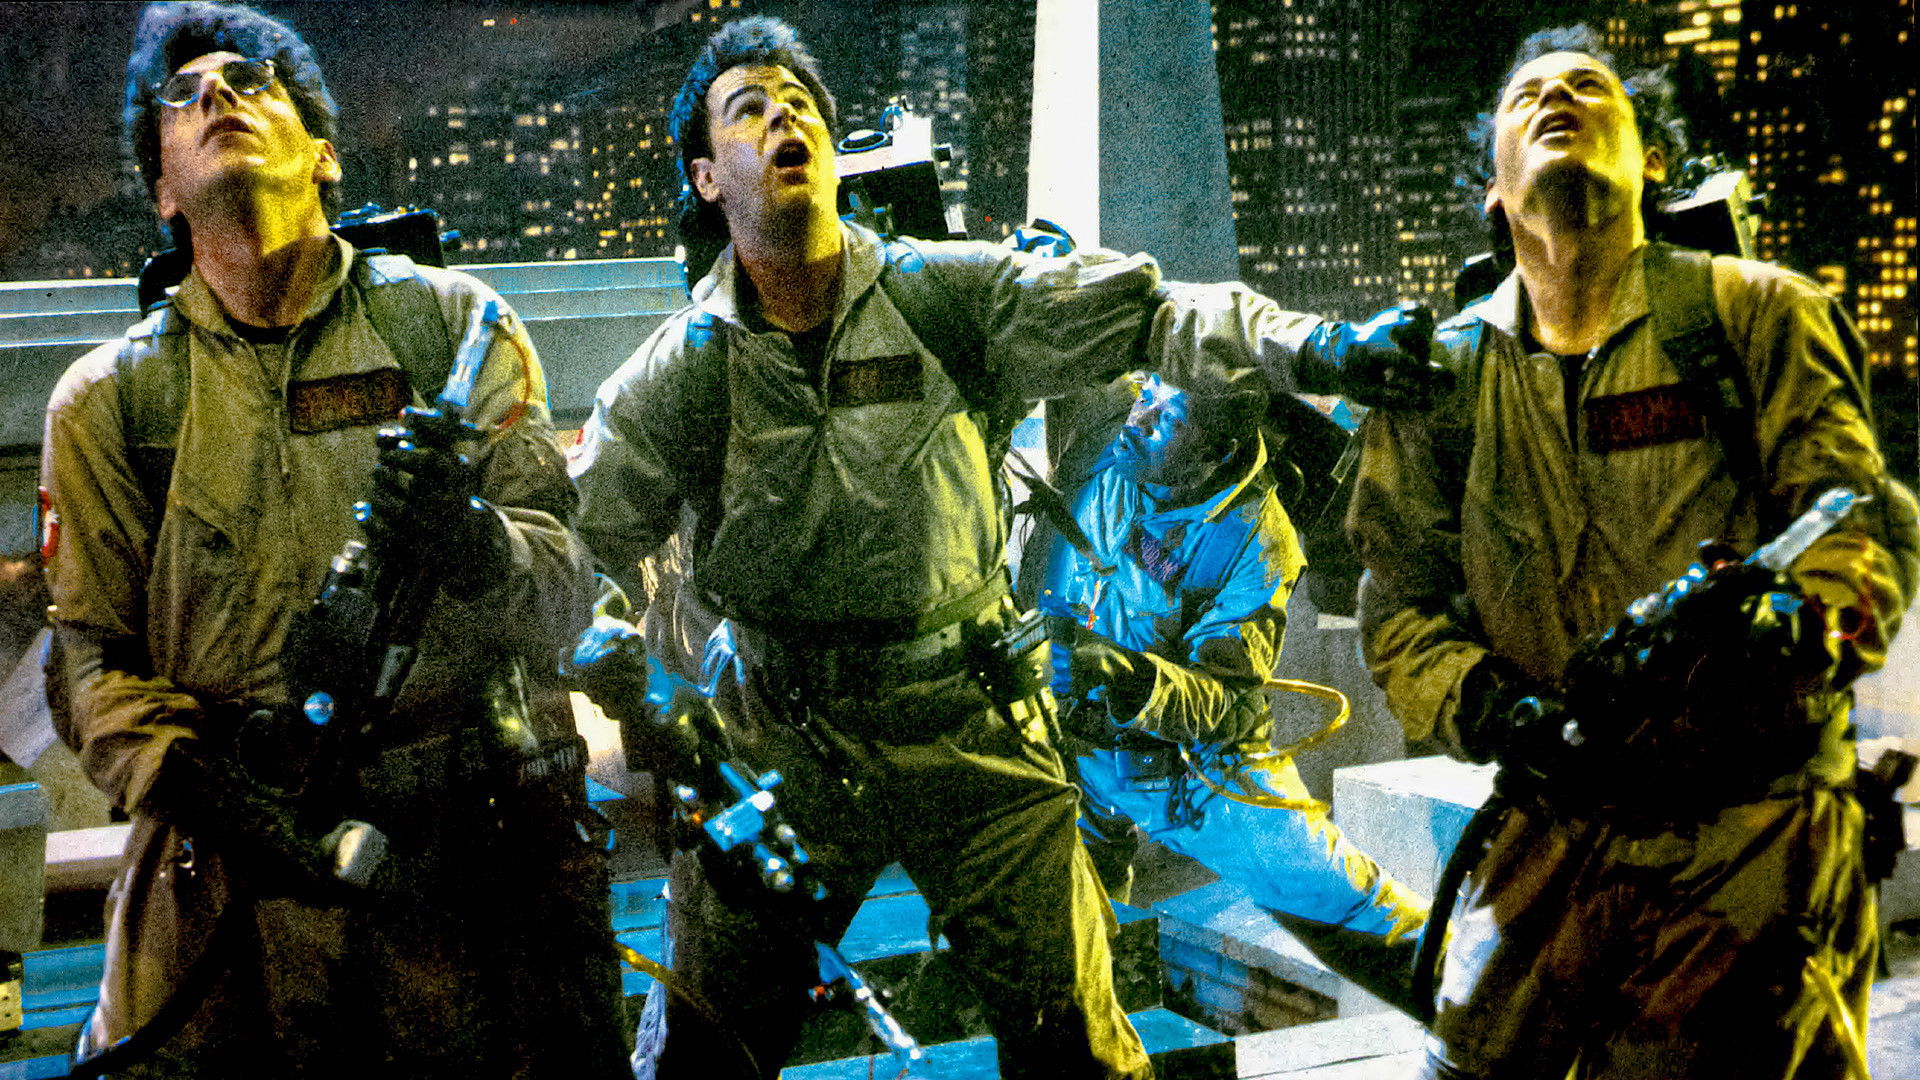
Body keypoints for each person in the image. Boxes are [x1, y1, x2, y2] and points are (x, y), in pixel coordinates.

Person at [569, 16, 1449, 1079]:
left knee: (1078, 1048)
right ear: (709, 178)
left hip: (970, 720)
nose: (782, 120)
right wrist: (625, 662)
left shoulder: (947, 298)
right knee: (701, 1056)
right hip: (778, 737)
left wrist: (1320, 347)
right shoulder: (679, 372)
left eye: (800, 105)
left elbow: (1149, 315)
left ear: (833, 153)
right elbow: (582, 548)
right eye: (747, 111)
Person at [38, 4, 627, 1076]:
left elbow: (568, 587)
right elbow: (86, 658)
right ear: (163, 192)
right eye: (183, 95)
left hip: (463, 875)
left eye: (253, 80)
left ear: (323, 155)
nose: (217, 95)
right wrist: (201, 786)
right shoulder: (110, 402)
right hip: (228, 883)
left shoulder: (453, 330)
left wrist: (481, 545)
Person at [1348, 25, 1919, 1080]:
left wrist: (1787, 630)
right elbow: (1400, 605)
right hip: (1555, 819)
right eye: (1528, 96)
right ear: (1493, 189)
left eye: (1591, 88)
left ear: (1653, 161)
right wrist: (1494, 710)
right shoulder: (1439, 378)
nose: (1558, 98)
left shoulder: (1755, 315)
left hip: (1751, 820)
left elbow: (1861, 529)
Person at [1041, 371, 1429, 1015]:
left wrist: (1126, 675)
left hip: (1194, 775)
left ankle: (1491, 1009)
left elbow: (1222, 702)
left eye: (1169, 421)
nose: (1139, 420)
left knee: (1341, 900)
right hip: (1078, 754)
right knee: (1072, 941)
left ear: (1212, 453)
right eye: (1146, 397)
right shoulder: (1110, 457)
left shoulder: (1257, 541)